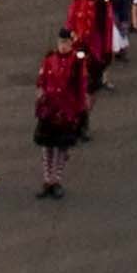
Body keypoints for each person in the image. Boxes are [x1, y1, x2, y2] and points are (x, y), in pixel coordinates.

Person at [35, 31, 91, 198]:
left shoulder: (77, 62)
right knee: (47, 147)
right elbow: (41, 80)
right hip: (49, 109)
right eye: (61, 42)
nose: (63, 46)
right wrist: (40, 96)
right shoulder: (49, 59)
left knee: (61, 148)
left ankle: (56, 180)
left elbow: (81, 87)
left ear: (70, 43)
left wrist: (81, 110)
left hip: (67, 110)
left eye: (66, 43)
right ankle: (47, 180)